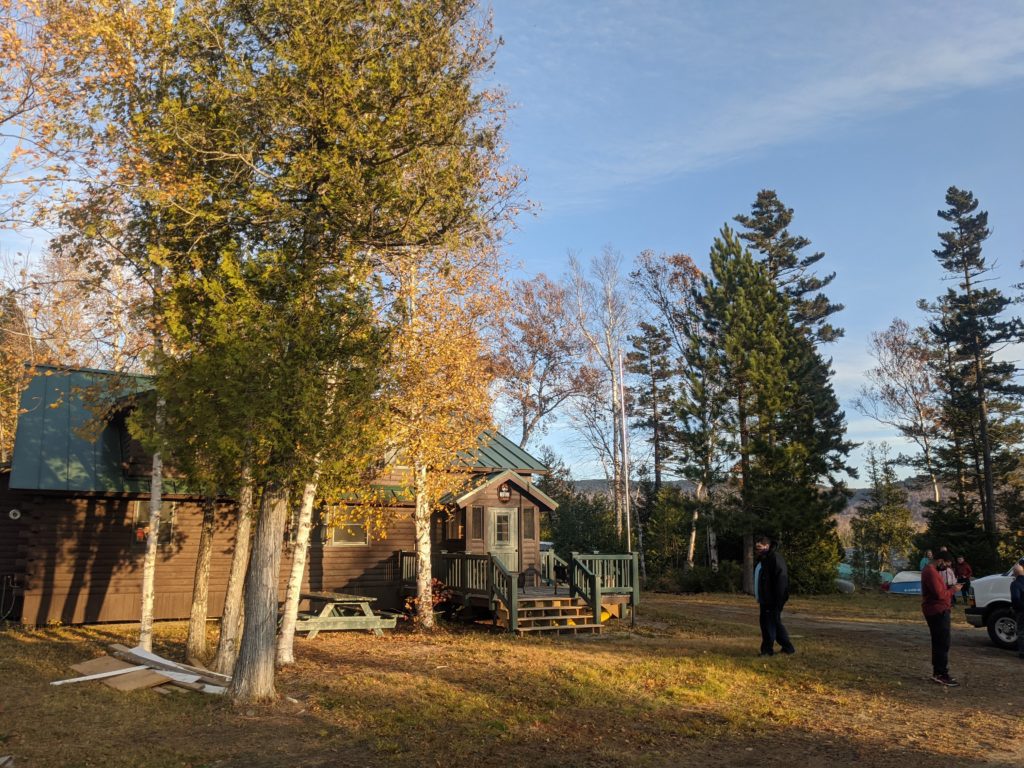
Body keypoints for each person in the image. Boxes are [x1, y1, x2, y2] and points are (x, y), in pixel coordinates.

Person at [921, 551, 962, 686]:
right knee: (942, 643)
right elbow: (939, 594)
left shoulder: (931, 571)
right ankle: (940, 673)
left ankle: (938, 672)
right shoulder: (931, 572)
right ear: (940, 561)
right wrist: (953, 590)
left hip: (938, 609)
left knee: (940, 642)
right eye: (945, 565)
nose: (945, 568)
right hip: (937, 611)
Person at [754, 535, 795, 656]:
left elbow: (781, 580)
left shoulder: (774, 559)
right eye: (756, 547)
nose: (757, 550)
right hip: (765, 599)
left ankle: (767, 651)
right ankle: (788, 648)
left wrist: (778, 600)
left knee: (768, 625)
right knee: (774, 623)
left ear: (767, 545)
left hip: (772, 600)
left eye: (760, 547)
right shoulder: (763, 559)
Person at [1010, 562, 1024, 660]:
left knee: (1022, 631)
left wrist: (1016, 608)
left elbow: (1015, 598)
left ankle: (1022, 652)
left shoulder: (1015, 583)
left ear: (1015, 573)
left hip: (1022, 611)